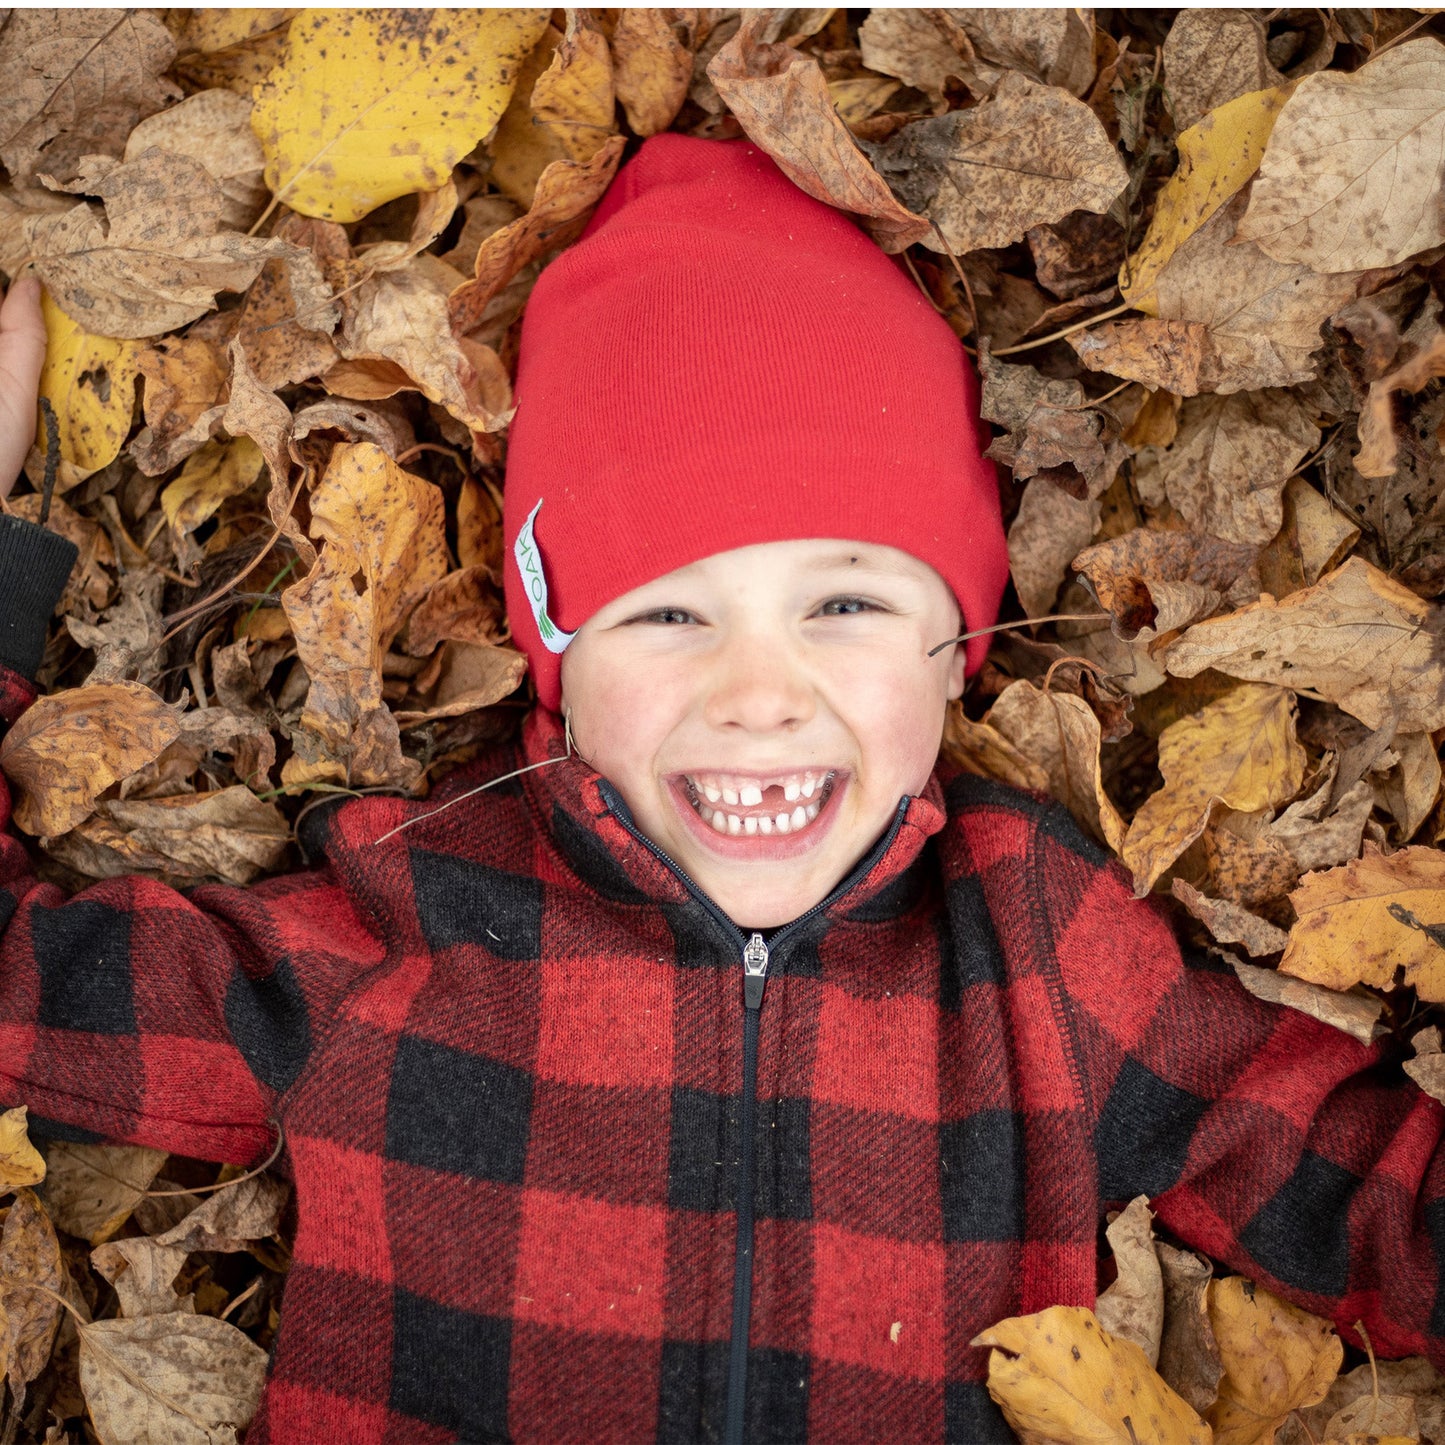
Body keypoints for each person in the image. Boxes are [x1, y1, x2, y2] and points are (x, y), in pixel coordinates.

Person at [0, 134, 1440, 1445]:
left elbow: (1368, 1189)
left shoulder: (1034, 952)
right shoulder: (407, 929)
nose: (761, 692)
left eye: (847, 606)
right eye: (669, 614)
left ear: (957, 648)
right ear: (557, 662)